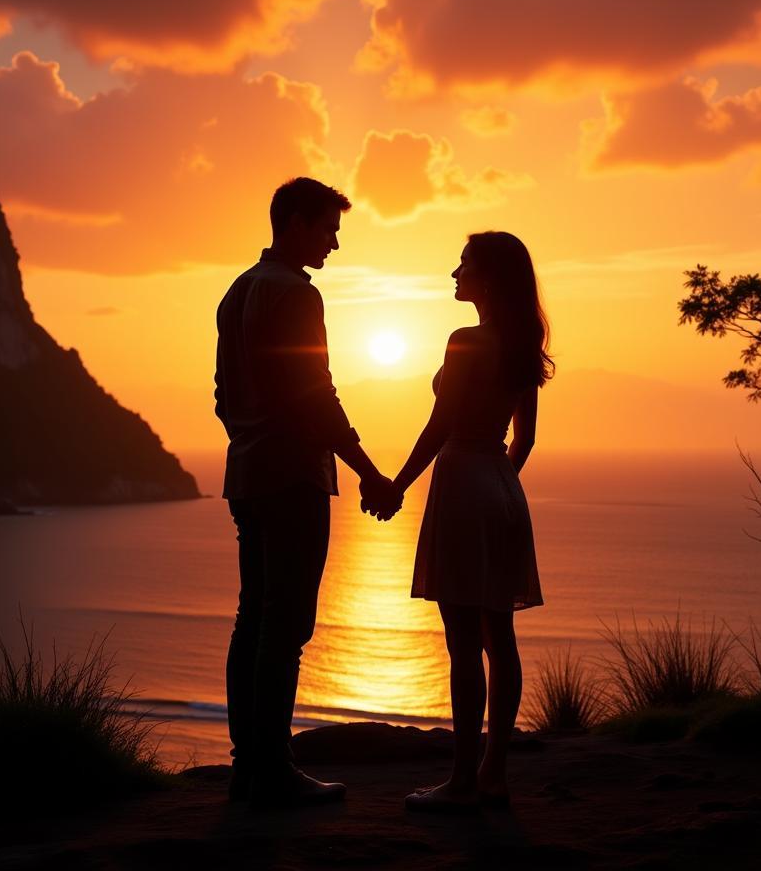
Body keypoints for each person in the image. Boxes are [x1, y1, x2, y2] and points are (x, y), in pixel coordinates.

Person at [214, 176, 399, 808]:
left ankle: (248, 766)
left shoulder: (237, 292)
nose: (335, 244)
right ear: (295, 223)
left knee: (252, 618)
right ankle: (272, 770)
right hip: (292, 477)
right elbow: (316, 395)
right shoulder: (295, 294)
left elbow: (221, 397)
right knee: (286, 625)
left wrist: (248, 437)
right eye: (328, 229)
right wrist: (369, 469)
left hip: (247, 476)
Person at [372, 231, 552, 812]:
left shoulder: (465, 340)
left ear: (489, 279)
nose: (454, 272)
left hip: (463, 485)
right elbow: (524, 439)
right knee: (500, 635)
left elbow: (438, 425)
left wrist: (396, 485)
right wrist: (498, 484)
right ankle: (494, 772)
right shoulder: (523, 344)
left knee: (461, 643)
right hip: (501, 485)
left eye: (465, 265)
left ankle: (460, 781)